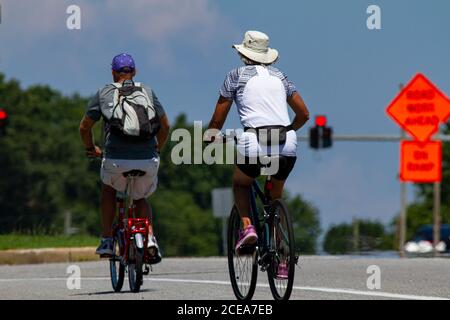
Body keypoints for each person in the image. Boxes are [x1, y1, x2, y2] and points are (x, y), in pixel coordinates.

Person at [207, 31, 310, 258]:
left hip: (254, 141)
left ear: (243, 54)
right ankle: (282, 255)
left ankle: (247, 227)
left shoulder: (235, 76)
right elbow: (304, 114)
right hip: (286, 143)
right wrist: (289, 129)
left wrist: (209, 137)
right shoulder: (280, 77)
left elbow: (217, 119)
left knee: (241, 184)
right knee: (275, 196)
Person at [79, 53, 170, 263]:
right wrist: (157, 150)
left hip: (115, 160)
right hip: (148, 160)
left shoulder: (104, 92)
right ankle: (149, 238)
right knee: (140, 196)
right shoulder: (147, 91)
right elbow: (165, 126)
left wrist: (91, 148)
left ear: (113, 72)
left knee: (109, 188)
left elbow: (84, 127)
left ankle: (107, 239)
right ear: (134, 72)